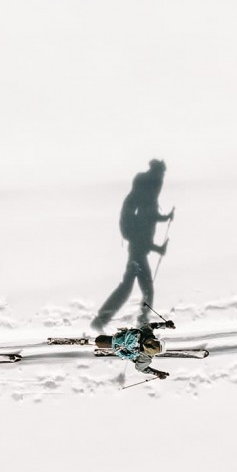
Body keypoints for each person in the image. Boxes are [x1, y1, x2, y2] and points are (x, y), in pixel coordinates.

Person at [91, 159, 174, 331]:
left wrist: (164, 219)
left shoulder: (142, 198)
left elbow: (147, 222)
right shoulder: (147, 199)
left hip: (137, 252)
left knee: (129, 288)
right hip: (138, 253)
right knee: (143, 290)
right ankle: (139, 324)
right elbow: (143, 232)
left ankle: (103, 320)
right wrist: (158, 247)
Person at [95, 319, 176, 379]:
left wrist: (165, 325)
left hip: (117, 338)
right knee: (131, 355)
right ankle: (113, 347)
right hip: (119, 346)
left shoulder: (147, 334)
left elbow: (151, 325)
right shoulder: (145, 358)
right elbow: (140, 368)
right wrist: (157, 373)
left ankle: (100, 341)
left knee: (108, 340)